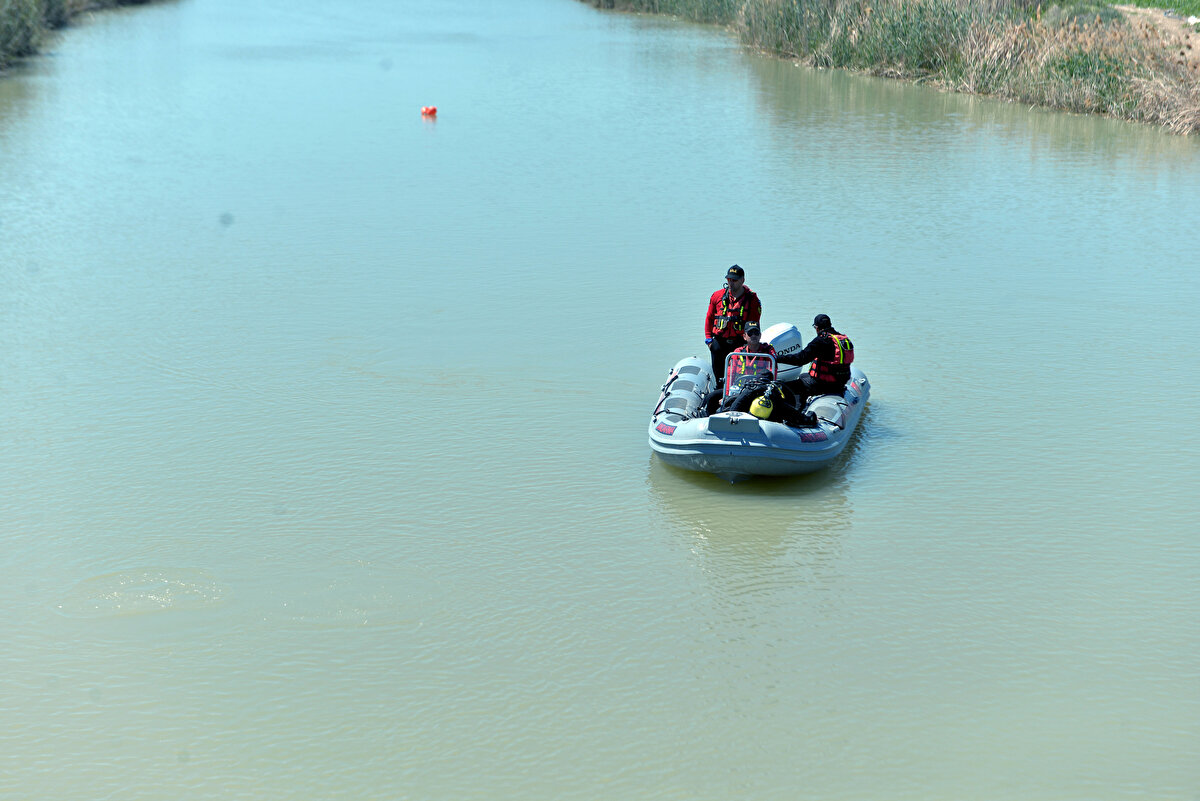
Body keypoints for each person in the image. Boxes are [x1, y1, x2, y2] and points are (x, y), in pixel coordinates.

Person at [704, 265, 761, 385]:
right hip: (719, 343)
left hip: (740, 342)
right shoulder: (717, 296)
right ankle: (719, 394)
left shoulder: (752, 299)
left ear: (742, 280)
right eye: (729, 280)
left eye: (734, 280)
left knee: (738, 377)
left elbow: (754, 324)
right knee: (719, 378)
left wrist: (750, 344)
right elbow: (709, 318)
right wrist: (709, 341)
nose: (731, 283)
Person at [787, 313, 855, 406]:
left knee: (788, 387)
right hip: (840, 384)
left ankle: (798, 413)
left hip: (824, 385)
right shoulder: (842, 339)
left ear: (817, 328)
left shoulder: (821, 341)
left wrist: (776, 358)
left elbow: (801, 359)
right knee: (803, 376)